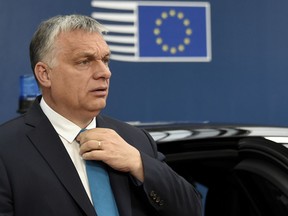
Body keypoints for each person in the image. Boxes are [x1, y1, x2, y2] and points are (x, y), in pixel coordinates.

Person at [0, 14, 202, 216]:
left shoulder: (135, 140)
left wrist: (138, 163)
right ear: (44, 74)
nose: (104, 72)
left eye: (105, 60)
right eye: (84, 61)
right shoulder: (6, 149)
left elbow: (191, 210)